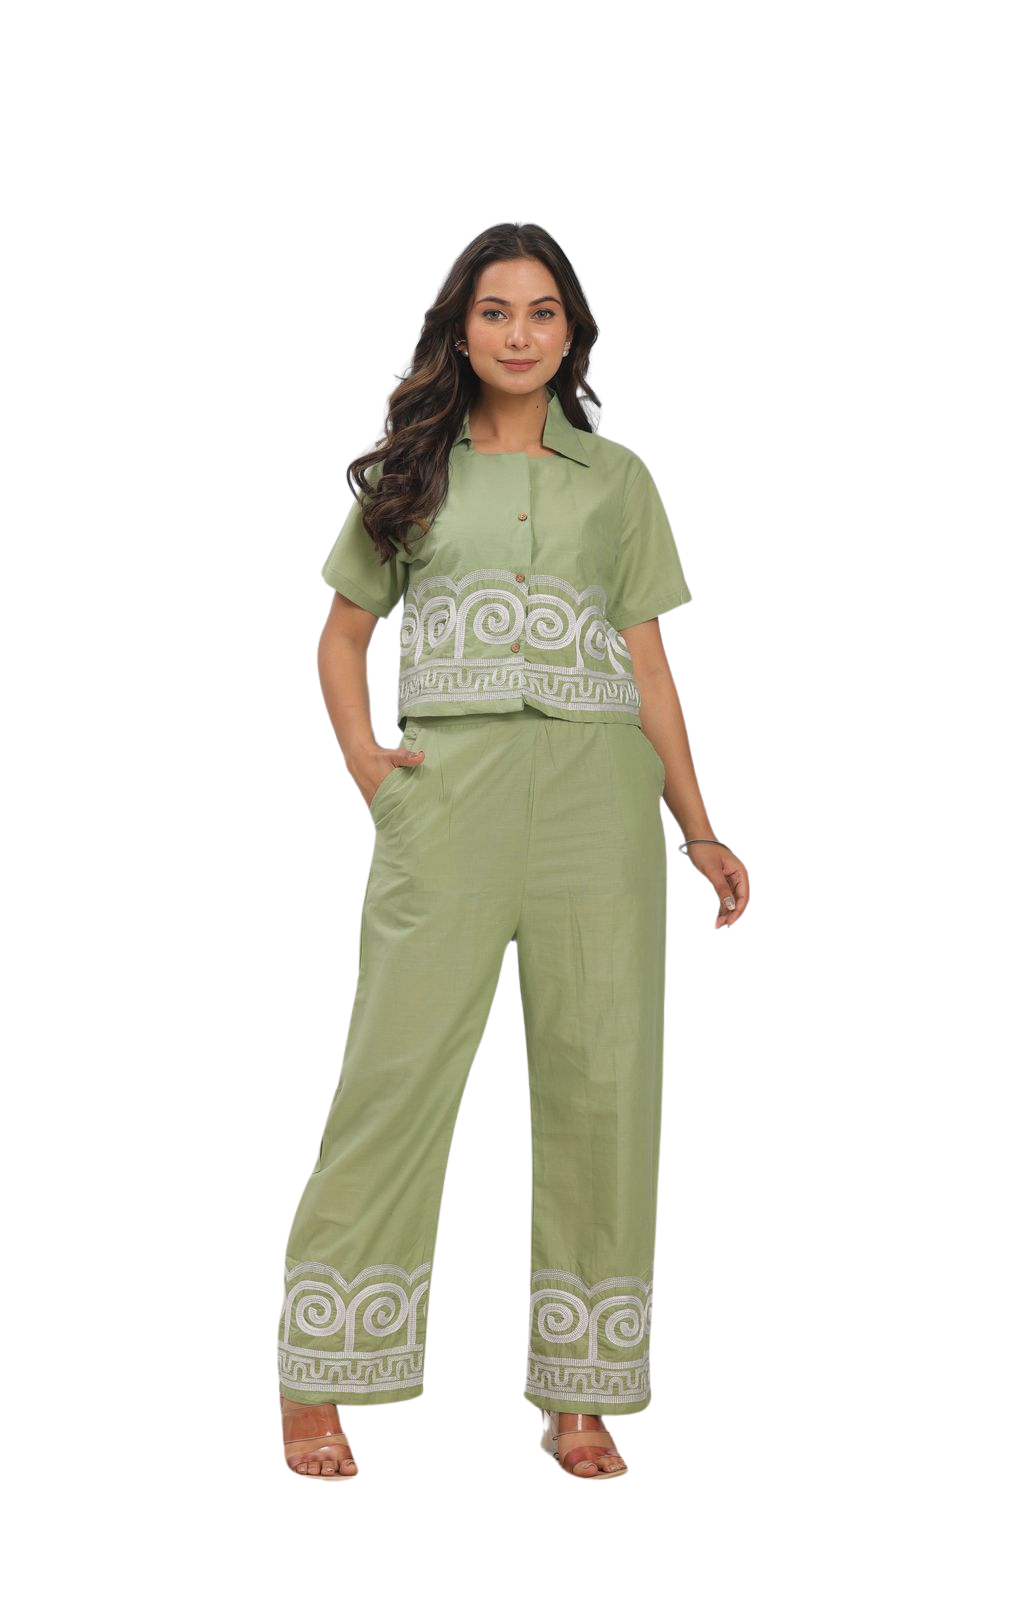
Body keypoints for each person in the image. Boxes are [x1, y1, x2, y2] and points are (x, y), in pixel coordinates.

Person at [277, 222, 750, 1481]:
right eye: (495, 311)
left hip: (600, 804)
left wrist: (696, 824)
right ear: (460, 328)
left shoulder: (618, 480)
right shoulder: (410, 476)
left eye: (543, 312)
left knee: (604, 1088)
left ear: (570, 332)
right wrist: (366, 762)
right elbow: (341, 635)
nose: (519, 333)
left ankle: (578, 1395)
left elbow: (648, 664)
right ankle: (317, 1374)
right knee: (393, 1076)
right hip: (450, 800)